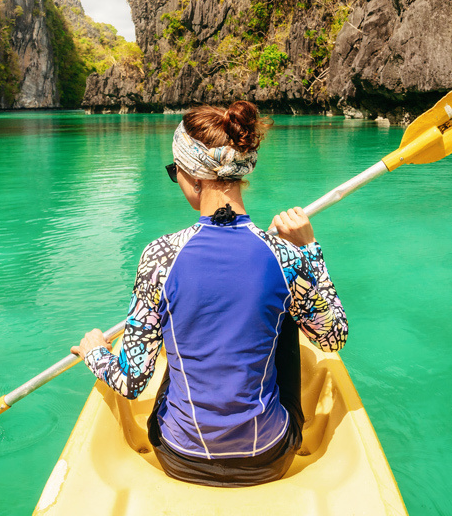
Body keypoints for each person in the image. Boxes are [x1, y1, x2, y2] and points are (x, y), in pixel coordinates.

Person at [71, 100, 347, 487]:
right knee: (284, 317)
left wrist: (95, 351)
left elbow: (132, 382)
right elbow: (333, 337)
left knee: (176, 329)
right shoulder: (286, 256)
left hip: (180, 457)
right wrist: (308, 250)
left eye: (175, 172)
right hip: (268, 458)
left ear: (192, 176)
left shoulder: (159, 257)